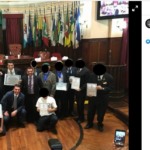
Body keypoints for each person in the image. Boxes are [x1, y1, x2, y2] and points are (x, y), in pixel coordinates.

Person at [84, 63, 114, 131]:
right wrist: (88, 93)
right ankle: (89, 123)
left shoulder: (109, 77)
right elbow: (88, 85)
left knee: (101, 113)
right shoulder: (91, 75)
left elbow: (111, 88)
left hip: (103, 99)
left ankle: (100, 124)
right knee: (90, 112)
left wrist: (102, 88)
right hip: (92, 98)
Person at [74, 58, 90, 123]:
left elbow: (87, 82)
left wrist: (81, 88)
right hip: (76, 90)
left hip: (82, 91)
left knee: (81, 105)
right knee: (78, 104)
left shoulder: (86, 71)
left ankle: (82, 118)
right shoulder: (77, 69)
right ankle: (79, 116)